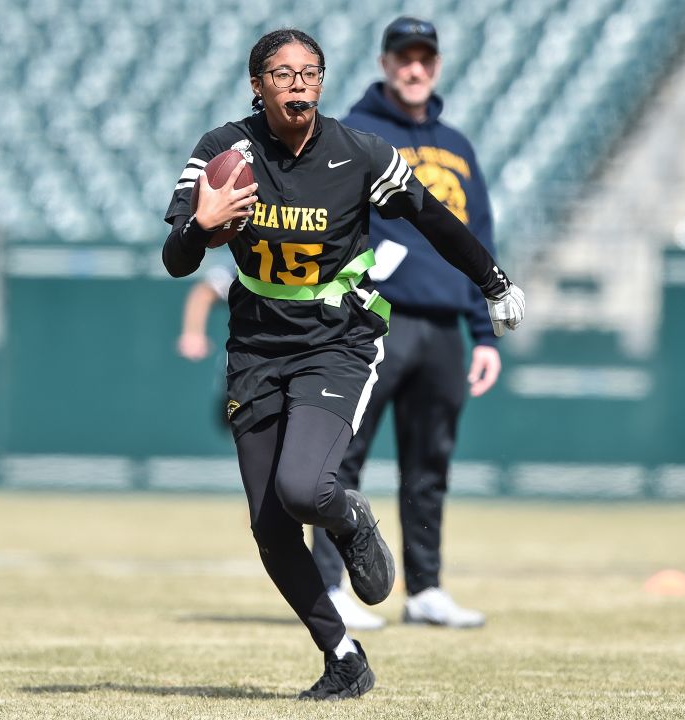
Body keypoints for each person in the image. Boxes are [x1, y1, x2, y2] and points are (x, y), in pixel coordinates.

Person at [162, 28, 525, 700]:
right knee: (270, 524)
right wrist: (201, 224)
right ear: (257, 84)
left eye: (309, 72)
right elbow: (176, 260)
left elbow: (434, 218)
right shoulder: (224, 151)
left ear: (322, 82)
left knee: (305, 491)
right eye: (281, 72)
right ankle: (343, 658)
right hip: (255, 346)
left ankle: (350, 516)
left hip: (338, 339)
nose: (297, 83)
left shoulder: (359, 151)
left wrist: (494, 282)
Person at [309, 16, 500, 631]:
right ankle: (332, 588)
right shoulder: (356, 132)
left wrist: (483, 328)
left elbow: (476, 238)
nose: (414, 68)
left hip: (445, 325)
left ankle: (425, 589)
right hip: (375, 320)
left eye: (425, 58)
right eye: (403, 57)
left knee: (430, 462)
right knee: (344, 456)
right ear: (386, 63)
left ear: (436, 65)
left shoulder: (458, 145)